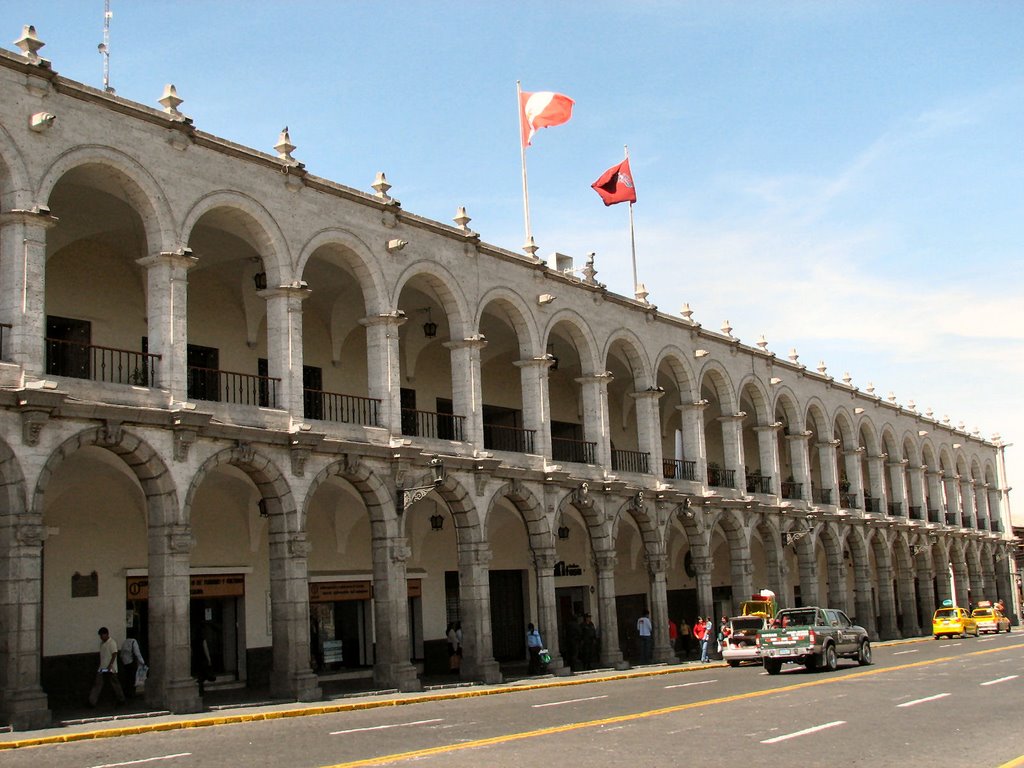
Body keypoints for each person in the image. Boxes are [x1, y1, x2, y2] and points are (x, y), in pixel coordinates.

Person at [88, 627, 125, 708]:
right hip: (102, 667)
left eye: (102, 635)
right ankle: (92, 701)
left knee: (115, 683)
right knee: (98, 683)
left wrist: (110, 666)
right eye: (100, 635)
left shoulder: (112, 643)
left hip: (111, 668)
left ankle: (121, 699)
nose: (101, 637)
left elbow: (114, 654)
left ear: (107, 634)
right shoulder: (102, 643)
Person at [118, 628, 146, 699]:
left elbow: (121, 654)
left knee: (127, 678)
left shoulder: (124, 642)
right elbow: (137, 653)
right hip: (132, 662)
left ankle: (127, 692)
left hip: (125, 663)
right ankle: (132, 693)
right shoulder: (134, 641)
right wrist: (142, 662)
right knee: (133, 678)